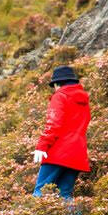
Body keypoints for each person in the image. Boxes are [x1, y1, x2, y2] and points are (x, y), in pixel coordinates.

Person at [32, 65, 91, 199]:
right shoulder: (84, 100)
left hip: (58, 153)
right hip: (78, 154)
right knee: (64, 195)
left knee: (40, 193)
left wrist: (41, 147)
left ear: (58, 84)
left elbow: (53, 124)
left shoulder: (60, 96)